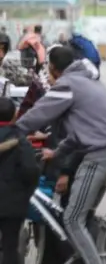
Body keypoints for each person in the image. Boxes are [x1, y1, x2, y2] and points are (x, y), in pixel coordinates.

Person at [14, 46, 106, 264]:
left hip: (100, 156)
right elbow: (79, 134)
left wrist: (10, 132)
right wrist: (56, 152)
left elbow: (38, 114)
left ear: (53, 68)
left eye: (48, 68)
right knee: (80, 214)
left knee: (72, 219)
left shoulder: (67, 85)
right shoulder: (87, 80)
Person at [0, 98, 40, 264]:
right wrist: (25, 194)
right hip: (12, 204)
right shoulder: (21, 140)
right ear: (15, 116)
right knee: (10, 246)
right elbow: (31, 171)